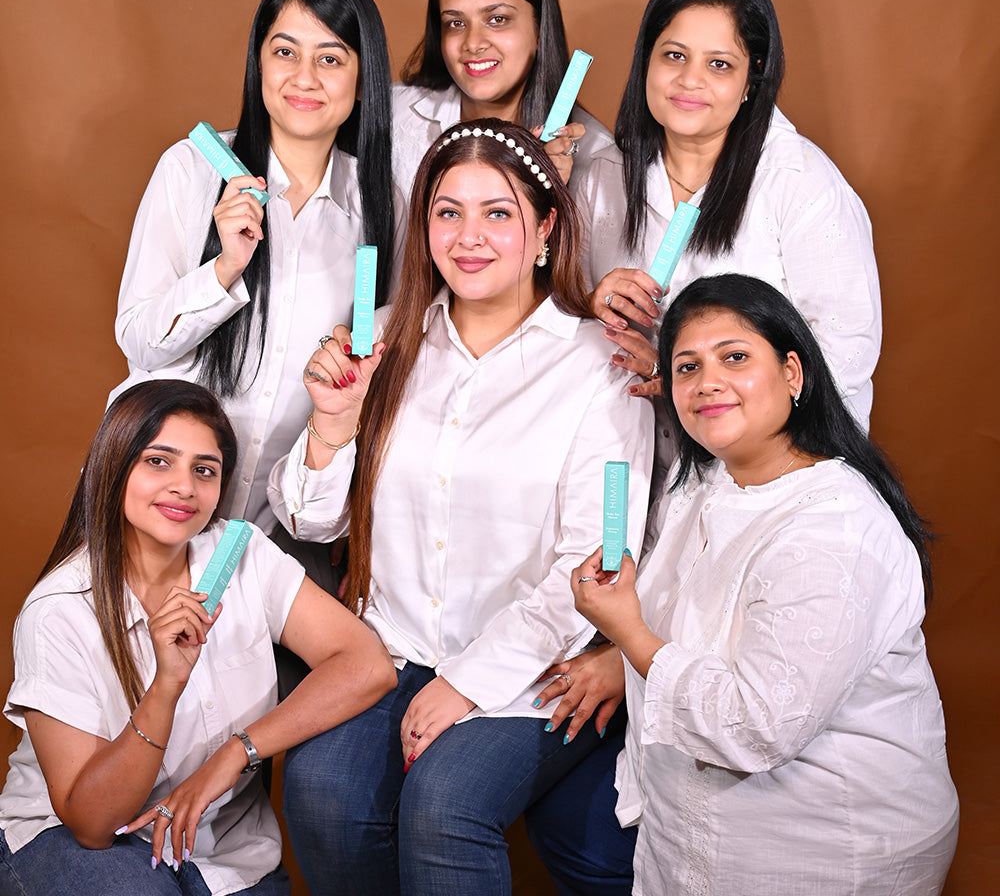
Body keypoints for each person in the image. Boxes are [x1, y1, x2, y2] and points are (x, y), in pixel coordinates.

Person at [267, 119, 653, 896]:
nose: (469, 237)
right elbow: (314, 521)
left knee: (444, 804)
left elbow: (593, 560)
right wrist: (333, 425)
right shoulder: (378, 342)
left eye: (498, 213)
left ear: (545, 227)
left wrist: (470, 681)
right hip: (389, 647)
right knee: (321, 791)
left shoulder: (599, 367)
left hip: (528, 669)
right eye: (448, 212)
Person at [539, 274, 960, 895]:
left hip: (828, 843)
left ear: (793, 373)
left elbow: (756, 725)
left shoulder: (832, 528)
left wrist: (626, 632)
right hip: (696, 823)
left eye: (735, 357)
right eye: (687, 368)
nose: (708, 382)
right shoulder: (710, 484)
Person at [0, 380, 396, 896]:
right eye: (158, 461)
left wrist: (234, 754)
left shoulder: (242, 552)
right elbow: (92, 824)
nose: (185, 486)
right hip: (84, 843)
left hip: (225, 854)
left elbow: (367, 665)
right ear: (114, 467)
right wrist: (166, 686)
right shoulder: (59, 611)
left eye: (204, 470)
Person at [110, 0, 398, 539]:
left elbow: (368, 365)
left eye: (332, 58)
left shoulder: (382, 206)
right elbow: (138, 340)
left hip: (271, 533)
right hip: (146, 505)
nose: (305, 77)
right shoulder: (193, 168)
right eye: (285, 51)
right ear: (259, 62)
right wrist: (225, 269)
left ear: (364, 80)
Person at [578, 0, 880, 427]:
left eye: (719, 64)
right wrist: (587, 302)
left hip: (770, 465)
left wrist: (691, 389)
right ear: (647, 60)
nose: (690, 80)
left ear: (750, 80)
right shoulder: (601, 175)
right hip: (633, 460)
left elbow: (847, 351)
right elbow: (550, 323)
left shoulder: (799, 179)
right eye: (674, 56)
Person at [392, 0, 612, 201]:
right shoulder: (392, 116)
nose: (473, 43)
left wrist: (546, 200)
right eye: (456, 23)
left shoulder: (600, 161)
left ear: (541, 30)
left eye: (497, 19)